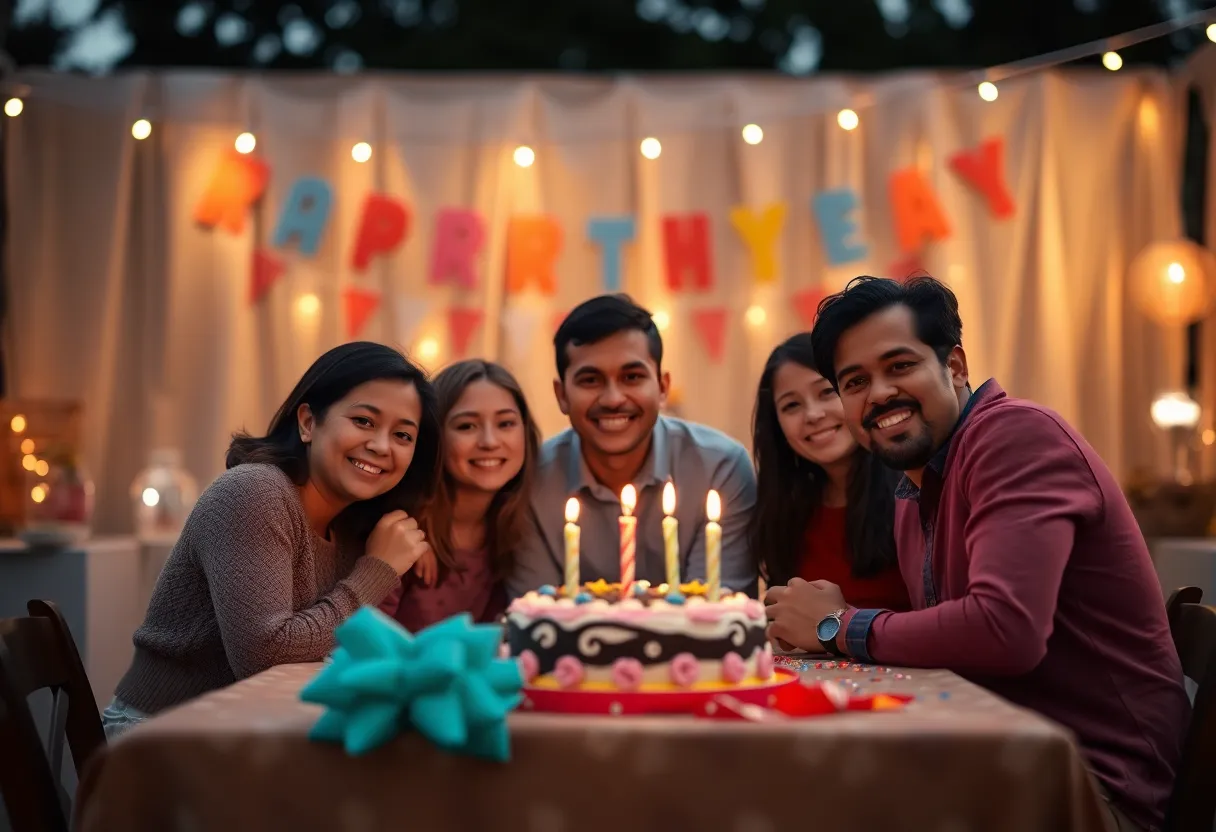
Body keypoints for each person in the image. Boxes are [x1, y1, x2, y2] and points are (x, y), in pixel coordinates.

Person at [766, 275, 1188, 832]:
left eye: (900, 366)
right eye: (855, 381)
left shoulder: (1014, 437)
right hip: (1005, 769)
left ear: (956, 366)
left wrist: (838, 626)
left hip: (1095, 793)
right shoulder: (915, 487)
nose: (879, 394)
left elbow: (1006, 629)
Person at [102, 342, 440, 738]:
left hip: (258, 732)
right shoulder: (254, 493)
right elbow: (265, 656)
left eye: (402, 435)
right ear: (308, 423)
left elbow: (346, 652)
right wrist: (375, 572)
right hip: (161, 734)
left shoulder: (356, 526)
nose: (382, 446)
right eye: (364, 421)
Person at [508, 294, 759, 597]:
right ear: (562, 395)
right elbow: (538, 617)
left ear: (663, 387)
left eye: (632, 377)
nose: (613, 399)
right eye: (590, 380)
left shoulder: (721, 468)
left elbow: (712, 613)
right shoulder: (531, 480)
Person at [750, 333, 908, 616]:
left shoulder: (913, 491)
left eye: (826, 392)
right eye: (791, 405)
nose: (813, 414)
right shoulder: (786, 513)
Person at [379, 360, 540, 631]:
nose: (489, 441)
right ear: (434, 436)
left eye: (506, 423)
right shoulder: (401, 532)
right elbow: (359, 640)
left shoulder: (514, 531)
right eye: (467, 426)